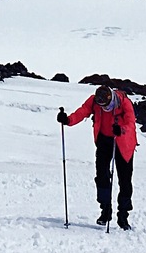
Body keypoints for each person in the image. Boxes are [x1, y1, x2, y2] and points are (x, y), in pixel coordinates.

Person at [58, 84, 137, 229]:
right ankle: (105, 211)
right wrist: (68, 120)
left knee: (124, 180)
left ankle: (123, 216)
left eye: (106, 106)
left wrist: (121, 129)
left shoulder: (124, 102)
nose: (104, 108)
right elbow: (83, 112)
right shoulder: (94, 101)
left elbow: (131, 123)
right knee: (101, 176)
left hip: (124, 143)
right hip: (104, 141)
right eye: (101, 106)